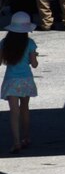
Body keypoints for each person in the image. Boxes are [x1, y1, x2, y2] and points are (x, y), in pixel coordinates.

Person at [3, 12, 40, 154]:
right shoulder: (30, 43)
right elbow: (34, 65)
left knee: (14, 112)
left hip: (11, 80)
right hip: (26, 80)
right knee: (25, 109)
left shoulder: (4, 43)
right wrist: (35, 56)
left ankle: (16, 142)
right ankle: (26, 137)